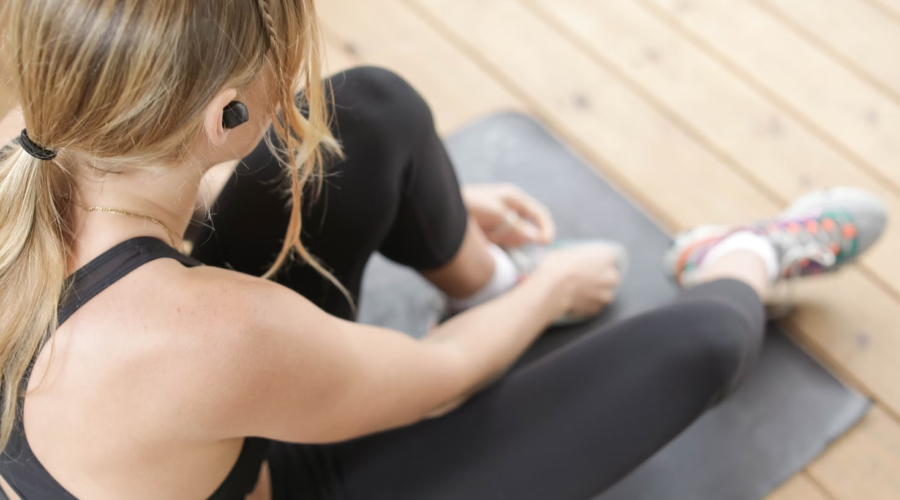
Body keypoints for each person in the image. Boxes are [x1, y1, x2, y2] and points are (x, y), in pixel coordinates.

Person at [0, 1, 887, 500]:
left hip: (186, 437)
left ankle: (477, 274)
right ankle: (743, 259)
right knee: (705, 344)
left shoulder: (35, 140)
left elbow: (172, 191)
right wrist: (543, 293)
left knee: (367, 113)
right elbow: (436, 382)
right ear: (224, 115)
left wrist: (451, 214)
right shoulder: (210, 334)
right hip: (293, 477)